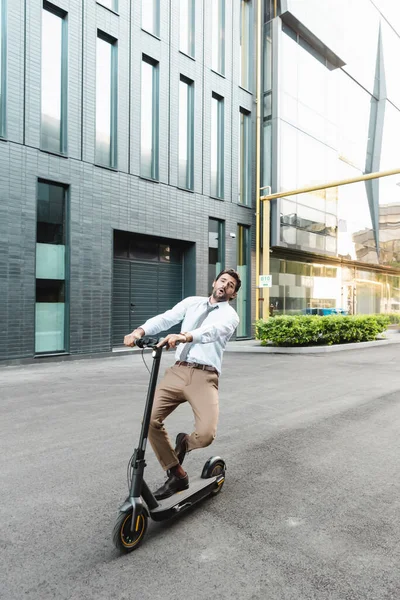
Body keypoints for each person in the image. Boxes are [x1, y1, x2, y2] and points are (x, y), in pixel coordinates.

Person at [123, 268, 241, 500]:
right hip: (178, 370)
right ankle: (176, 473)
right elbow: (167, 317)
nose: (225, 286)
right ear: (214, 281)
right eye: (223, 281)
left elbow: (213, 331)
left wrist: (185, 336)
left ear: (233, 294)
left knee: (206, 434)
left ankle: (185, 443)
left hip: (204, 376)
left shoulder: (230, 316)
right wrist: (140, 330)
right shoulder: (192, 303)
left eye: (230, 286)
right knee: (149, 421)